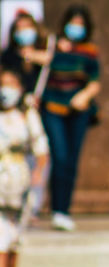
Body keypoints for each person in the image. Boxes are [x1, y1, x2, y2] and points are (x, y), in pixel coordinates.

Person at [40, 5, 100, 231]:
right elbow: (32, 51)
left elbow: (95, 80)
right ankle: (56, 208)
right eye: (72, 23)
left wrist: (83, 96)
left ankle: (63, 210)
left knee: (71, 162)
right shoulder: (52, 44)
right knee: (60, 156)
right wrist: (53, 47)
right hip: (52, 108)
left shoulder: (89, 50)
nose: (75, 28)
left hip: (78, 111)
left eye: (80, 24)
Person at [0, 67, 49, 267]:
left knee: (15, 237)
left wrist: (38, 173)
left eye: (11, 84)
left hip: (19, 178)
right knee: (1, 235)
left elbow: (41, 148)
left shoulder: (27, 115)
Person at [0, 12, 52, 94]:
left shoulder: (46, 48)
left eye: (27, 26)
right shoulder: (8, 56)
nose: (24, 30)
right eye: (20, 28)